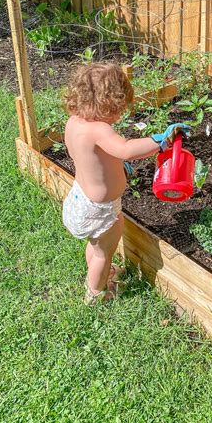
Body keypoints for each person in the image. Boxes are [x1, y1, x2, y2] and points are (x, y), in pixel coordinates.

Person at [62, 62, 189, 305]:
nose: (121, 115)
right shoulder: (100, 130)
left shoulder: (74, 123)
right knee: (103, 252)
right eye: (119, 109)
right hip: (100, 210)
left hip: (80, 199)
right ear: (108, 103)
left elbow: (89, 157)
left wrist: (113, 165)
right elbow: (127, 149)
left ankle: (100, 272)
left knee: (96, 245)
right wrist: (161, 140)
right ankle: (97, 292)